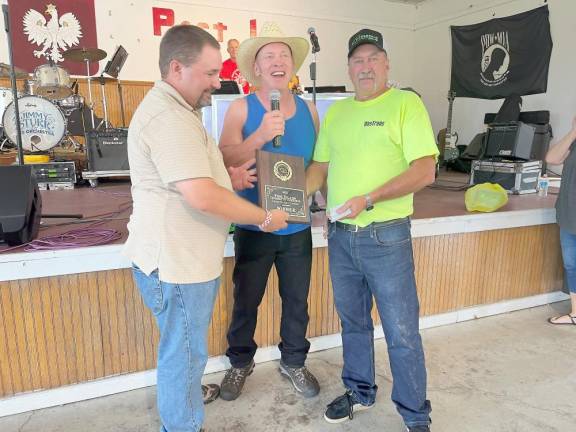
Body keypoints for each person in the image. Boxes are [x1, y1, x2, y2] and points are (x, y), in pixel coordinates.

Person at [123, 25, 288, 432]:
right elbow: (199, 196)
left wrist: (225, 179)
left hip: (183, 261)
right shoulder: (170, 118)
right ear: (177, 67)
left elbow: (191, 181)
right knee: (184, 355)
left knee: (185, 350)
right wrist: (265, 217)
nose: (218, 82)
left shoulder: (180, 110)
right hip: (178, 266)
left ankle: (185, 400)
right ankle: (182, 424)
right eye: (211, 73)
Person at [306, 29, 437, 431]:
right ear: (348, 68)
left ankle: (416, 417)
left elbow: (425, 170)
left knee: (401, 330)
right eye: (358, 60)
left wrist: (370, 197)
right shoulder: (338, 114)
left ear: (386, 64)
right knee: (354, 323)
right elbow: (320, 169)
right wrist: (283, 198)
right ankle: (361, 392)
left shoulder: (405, 104)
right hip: (342, 236)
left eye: (373, 58)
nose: (365, 67)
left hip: (387, 235)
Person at [217, 22, 321, 401]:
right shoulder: (240, 107)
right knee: (247, 299)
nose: (278, 62)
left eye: (284, 56)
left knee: (297, 300)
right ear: (256, 68)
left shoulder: (309, 110)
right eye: (269, 56)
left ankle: (293, 360)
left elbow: (316, 164)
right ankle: (240, 362)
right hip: (253, 225)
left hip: (296, 227)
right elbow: (224, 158)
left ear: (292, 66)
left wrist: (304, 194)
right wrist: (259, 135)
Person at [546, 116, 576, 325]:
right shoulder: (573, 142)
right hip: (569, 211)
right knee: (571, 264)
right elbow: (552, 158)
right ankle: (575, 313)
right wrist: (573, 133)